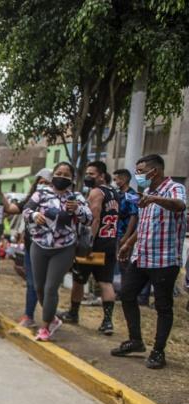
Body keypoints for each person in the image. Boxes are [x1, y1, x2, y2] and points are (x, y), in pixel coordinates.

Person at [112, 154, 187, 369]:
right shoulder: (146, 192)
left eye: (140, 171)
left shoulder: (174, 187)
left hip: (164, 259)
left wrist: (155, 199)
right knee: (126, 294)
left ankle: (158, 351)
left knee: (163, 306)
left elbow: (180, 205)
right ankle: (135, 340)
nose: (138, 175)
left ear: (154, 171)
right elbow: (144, 224)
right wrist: (128, 243)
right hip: (142, 255)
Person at [22, 162, 92, 341]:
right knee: (38, 287)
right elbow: (26, 209)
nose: (62, 176)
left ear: (72, 178)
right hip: (39, 245)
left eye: (66, 174)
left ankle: (45, 327)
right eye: (58, 173)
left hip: (64, 248)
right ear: (53, 176)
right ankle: (52, 318)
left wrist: (77, 209)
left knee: (51, 287)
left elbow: (88, 219)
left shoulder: (76, 197)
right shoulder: (41, 193)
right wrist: (33, 216)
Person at [58, 161, 119, 335]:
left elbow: (95, 218)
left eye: (92, 174)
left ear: (101, 175)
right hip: (110, 243)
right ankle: (107, 322)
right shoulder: (114, 193)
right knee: (106, 282)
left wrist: (87, 243)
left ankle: (73, 313)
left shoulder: (96, 192)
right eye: (87, 173)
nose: (88, 177)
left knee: (79, 279)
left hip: (94, 245)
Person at [0, 168, 53, 328]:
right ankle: (29, 316)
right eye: (40, 183)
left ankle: (49, 319)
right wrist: (0, 192)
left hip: (52, 250)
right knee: (32, 283)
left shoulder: (59, 202)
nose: (43, 186)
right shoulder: (30, 201)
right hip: (31, 248)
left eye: (47, 183)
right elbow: (10, 208)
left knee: (48, 286)